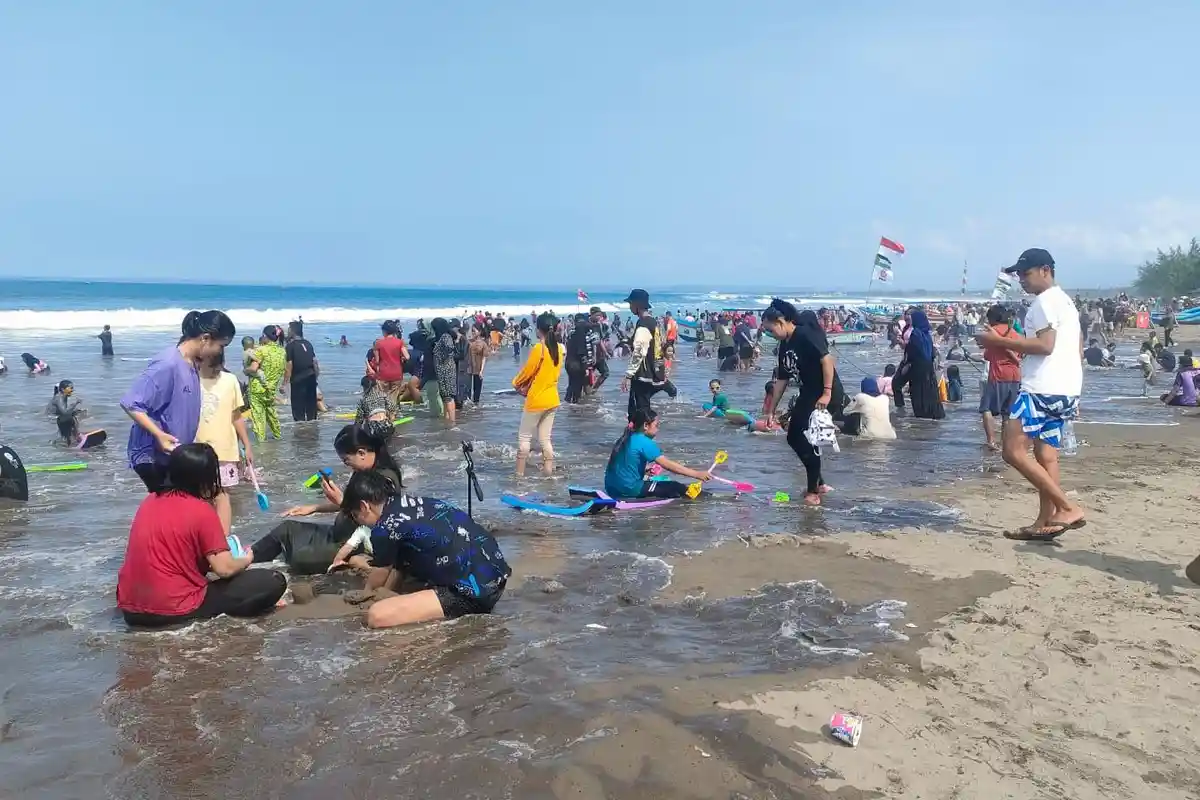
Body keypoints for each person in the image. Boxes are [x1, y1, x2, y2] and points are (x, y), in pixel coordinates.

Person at [115, 443, 286, 628]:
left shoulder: (149, 501)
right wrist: (246, 559)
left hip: (131, 611)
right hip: (172, 610)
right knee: (273, 580)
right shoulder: (200, 510)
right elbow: (224, 568)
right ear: (207, 477)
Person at [976, 248, 1084, 539]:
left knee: (1012, 451)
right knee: (1046, 455)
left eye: (1026, 273)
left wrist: (997, 340)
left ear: (1045, 270)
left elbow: (1046, 345)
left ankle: (1066, 507)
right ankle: (1045, 522)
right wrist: (1076, 390)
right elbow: (1076, 347)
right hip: (1066, 388)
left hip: (1042, 388)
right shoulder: (1065, 301)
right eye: (1018, 274)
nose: (1021, 279)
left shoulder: (1044, 302)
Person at [339, 470, 511, 628]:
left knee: (375, 616)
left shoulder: (384, 528)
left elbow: (381, 571)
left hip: (472, 594)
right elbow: (400, 564)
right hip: (496, 575)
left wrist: (367, 592)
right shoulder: (408, 504)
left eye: (355, 516)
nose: (359, 522)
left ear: (364, 506)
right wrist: (388, 591)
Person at [251, 424, 403, 574]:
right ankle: (247, 559)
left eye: (346, 461)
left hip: (357, 543)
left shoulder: (385, 479)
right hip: (339, 534)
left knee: (299, 557)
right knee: (286, 529)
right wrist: (314, 508)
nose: (347, 466)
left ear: (361, 453)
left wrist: (342, 502)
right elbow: (350, 502)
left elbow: (380, 521)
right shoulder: (363, 470)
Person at [122, 311, 234, 492]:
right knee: (171, 508)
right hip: (154, 457)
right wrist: (159, 434)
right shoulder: (168, 364)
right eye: (221, 346)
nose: (220, 352)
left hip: (176, 454)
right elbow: (130, 403)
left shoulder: (192, 363)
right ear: (205, 338)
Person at [761, 300, 847, 507]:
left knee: (807, 439)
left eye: (770, 330)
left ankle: (813, 492)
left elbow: (827, 360)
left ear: (781, 322)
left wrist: (826, 394)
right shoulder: (785, 345)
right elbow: (781, 379)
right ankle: (819, 483)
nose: (769, 334)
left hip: (825, 393)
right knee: (793, 437)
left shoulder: (805, 335)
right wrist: (771, 410)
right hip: (808, 392)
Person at [197, 350, 255, 534]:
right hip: (196, 449)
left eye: (217, 366)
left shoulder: (230, 380)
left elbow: (236, 416)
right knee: (199, 498)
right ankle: (204, 537)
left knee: (222, 496)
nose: (214, 370)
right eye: (209, 365)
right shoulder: (190, 379)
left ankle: (224, 539)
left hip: (225, 448)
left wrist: (247, 445)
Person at [604, 408, 712, 499]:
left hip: (611, 489)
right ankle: (708, 500)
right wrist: (697, 474)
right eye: (656, 425)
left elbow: (623, 463)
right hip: (629, 489)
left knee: (658, 484)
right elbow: (668, 465)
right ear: (646, 425)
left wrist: (644, 470)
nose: (658, 429)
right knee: (675, 487)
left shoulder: (624, 438)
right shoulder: (644, 441)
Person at [512, 312, 564, 476]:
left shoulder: (539, 348)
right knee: (545, 439)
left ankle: (519, 476)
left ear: (538, 329)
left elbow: (528, 371)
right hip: (553, 399)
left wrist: (515, 383)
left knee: (524, 439)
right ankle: (548, 474)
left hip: (536, 400)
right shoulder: (561, 348)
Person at [976, 304, 1022, 451]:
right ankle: (1006, 443)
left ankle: (991, 441)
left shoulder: (993, 332)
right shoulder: (1015, 333)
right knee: (1007, 413)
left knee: (986, 408)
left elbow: (987, 355)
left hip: (998, 375)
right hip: (1015, 376)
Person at [621, 289, 672, 420]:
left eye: (631, 304)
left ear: (637, 305)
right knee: (642, 407)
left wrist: (628, 374)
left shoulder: (643, 324)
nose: (630, 307)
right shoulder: (654, 322)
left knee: (638, 411)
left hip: (644, 374)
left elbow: (639, 351)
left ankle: (642, 435)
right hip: (656, 371)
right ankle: (668, 387)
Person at [245, 326, 286, 441]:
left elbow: (253, 368)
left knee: (258, 419)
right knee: (272, 415)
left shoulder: (261, 351)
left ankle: (261, 446)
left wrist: (245, 370)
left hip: (257, 390)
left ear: (265, 336)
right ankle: (278, 438)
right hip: (271, 389)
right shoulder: (282, 351)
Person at [284, 320, 320, 422]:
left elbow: (289, 365)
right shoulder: (308, 344)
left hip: (298, 380)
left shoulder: (290, 346)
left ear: (292, 331)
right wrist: (315, 378)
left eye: (289, 329)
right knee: (311, 409)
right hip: (311, 378)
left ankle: (301, 433)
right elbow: (315, 363)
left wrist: (284, 383)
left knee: (298, 410)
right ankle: (312, 431)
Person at [372, 320, 408, 404]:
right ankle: (392, 415)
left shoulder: (378, 343)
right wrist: (401, 359)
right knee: (394, 397)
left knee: (382, 396)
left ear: (384, 331)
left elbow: (377, 361)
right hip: (396, 373)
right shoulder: (400, 342)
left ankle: (383, 414)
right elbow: (407, 356)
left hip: (383, 373)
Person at [564, 313, 592, 404]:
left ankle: (567, 404)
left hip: (569, 362)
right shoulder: (581, 333)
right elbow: (581, 352)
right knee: (577, 388)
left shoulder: (572, 333)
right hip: (576, 364)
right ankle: (575, 407)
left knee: (571, 385)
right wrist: (585, 367)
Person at [50, 380, 82, 444]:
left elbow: (63, 411)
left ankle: (72, 437)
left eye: (72, 388)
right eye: (70, 388)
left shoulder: (64, 396)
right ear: (62, 389)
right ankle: (76, 437)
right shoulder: (58, 398)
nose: (72, 390)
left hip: (57, 417)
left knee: (77, 414)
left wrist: (74, 411)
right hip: (51, 418)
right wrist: (75, 403)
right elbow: (64, 412)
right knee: (71, 418)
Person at [467, 324, 489, 405]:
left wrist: (481, 371)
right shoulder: (468, 342)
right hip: (468, 368)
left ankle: (476, 407)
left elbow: (484, 358)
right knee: (467, 389)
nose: (472, 332)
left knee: (477, 391)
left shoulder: (483, 344)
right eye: (471, 331)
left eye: (474, 331)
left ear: (479, 332)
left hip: (478, 368)